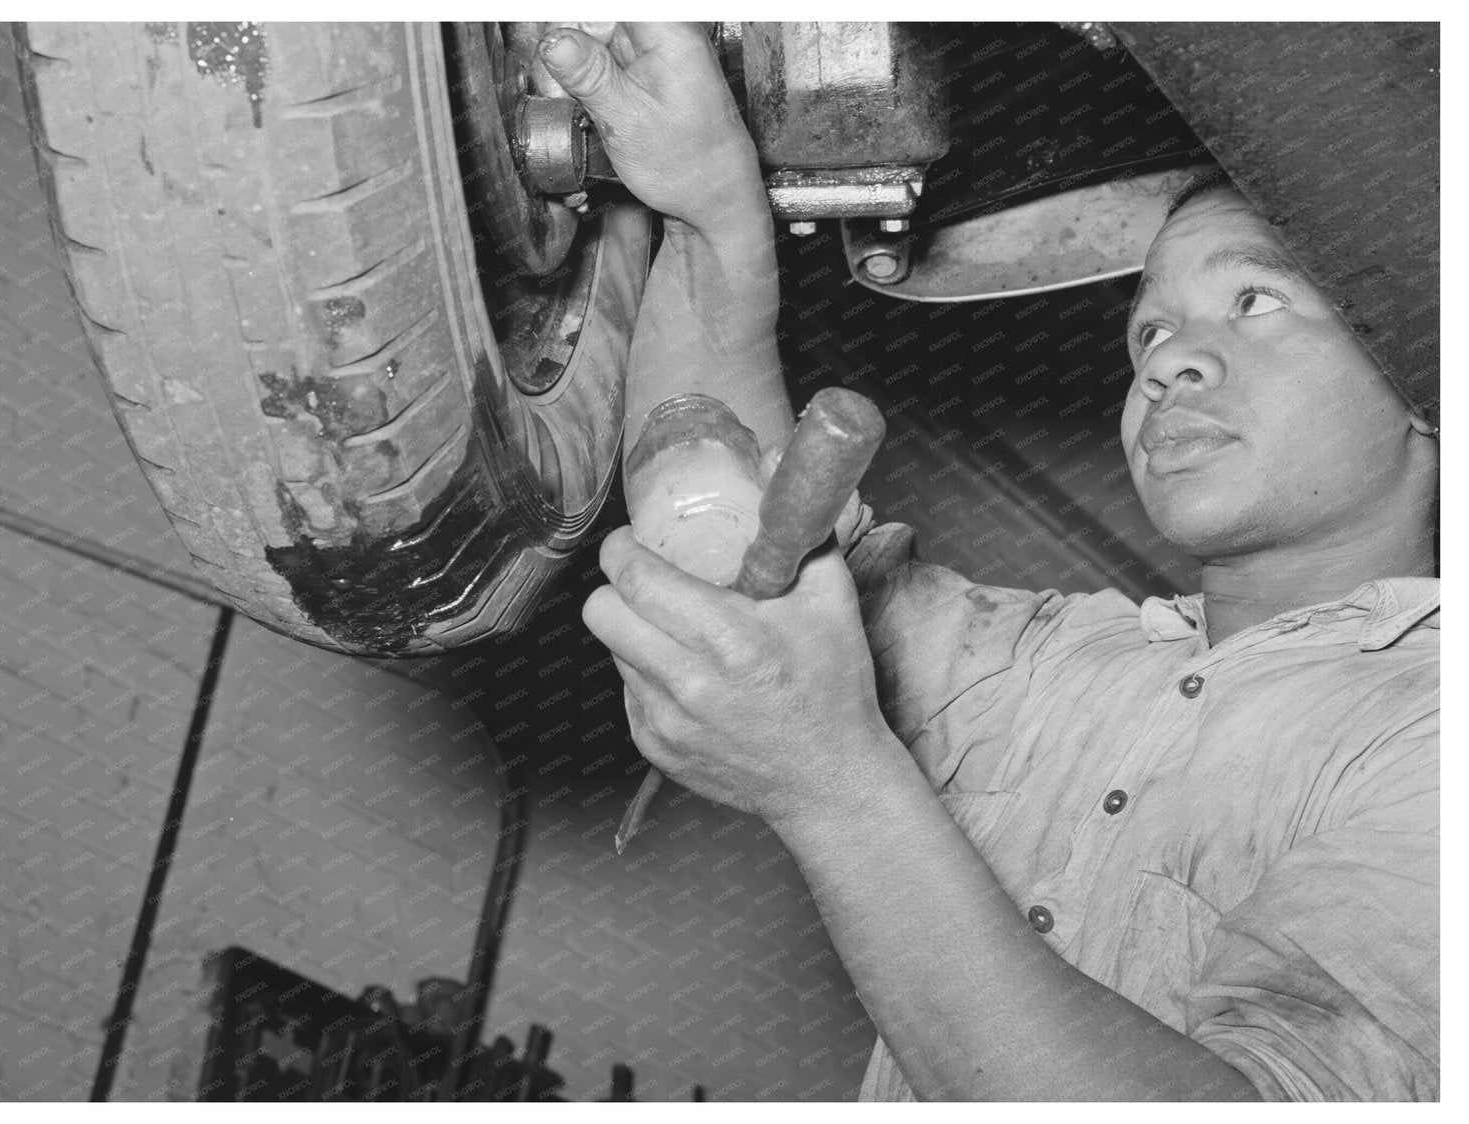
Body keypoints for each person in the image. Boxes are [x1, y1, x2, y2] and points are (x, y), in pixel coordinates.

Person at [543, 23, 1441, 1101]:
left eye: (1254, 301)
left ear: (1421, 380)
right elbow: (725, 531)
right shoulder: (1046, 662)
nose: (1168, 364)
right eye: (1148, 335)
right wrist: (708, 210)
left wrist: (832, 783)